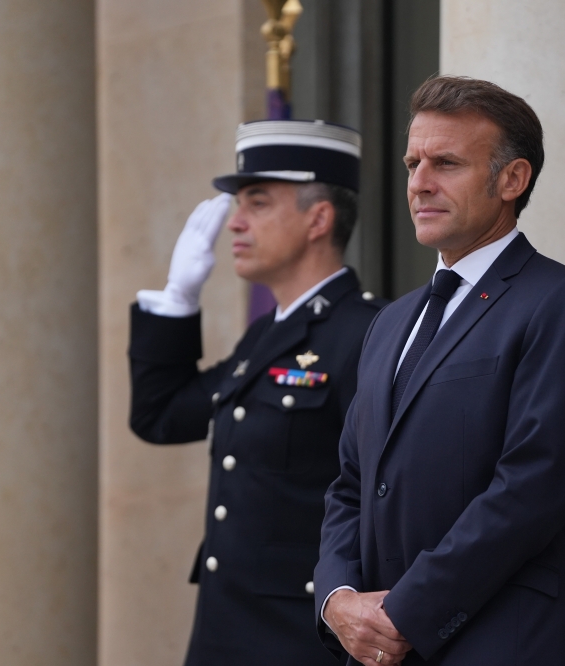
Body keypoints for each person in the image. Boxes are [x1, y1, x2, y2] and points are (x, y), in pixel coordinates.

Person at [314, 77, 565, 665]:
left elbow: (532, 488)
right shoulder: (389, 322)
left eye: (446, 163)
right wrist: (338, 599)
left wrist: (406, 613)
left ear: (512, 179)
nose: (420, 183)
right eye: (413, 164)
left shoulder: (562, 302)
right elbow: (350, 485)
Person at [129, 119, 386, 666]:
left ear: (318, 218)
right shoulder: (266, 336)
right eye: (238, 204)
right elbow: (161, 415)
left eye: (258, 203)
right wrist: (177, 302)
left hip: (300, 642)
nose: (235, 223)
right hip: (224, 634)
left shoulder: (371, 335)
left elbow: (385, 498)